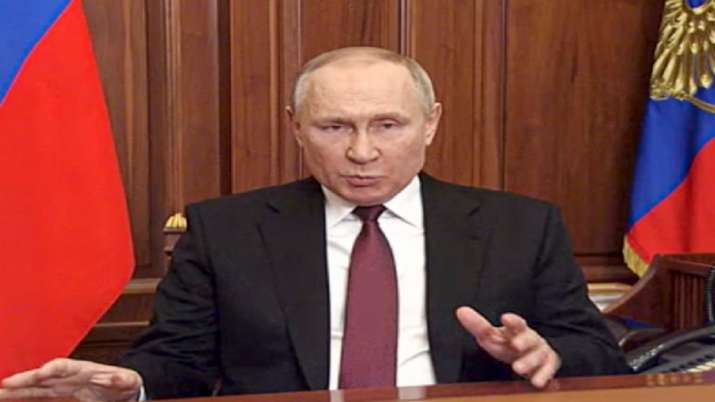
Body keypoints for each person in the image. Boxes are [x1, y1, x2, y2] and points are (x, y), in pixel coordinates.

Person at [0, 47, 630, 401]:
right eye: (334, 127)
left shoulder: (520, 225)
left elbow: (599, 353)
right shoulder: (226, 230)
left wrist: (546, 353)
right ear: (296, 127)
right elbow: (176, 358)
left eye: (388, 125)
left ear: (431, 123)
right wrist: (132, 384)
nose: (362, 152)